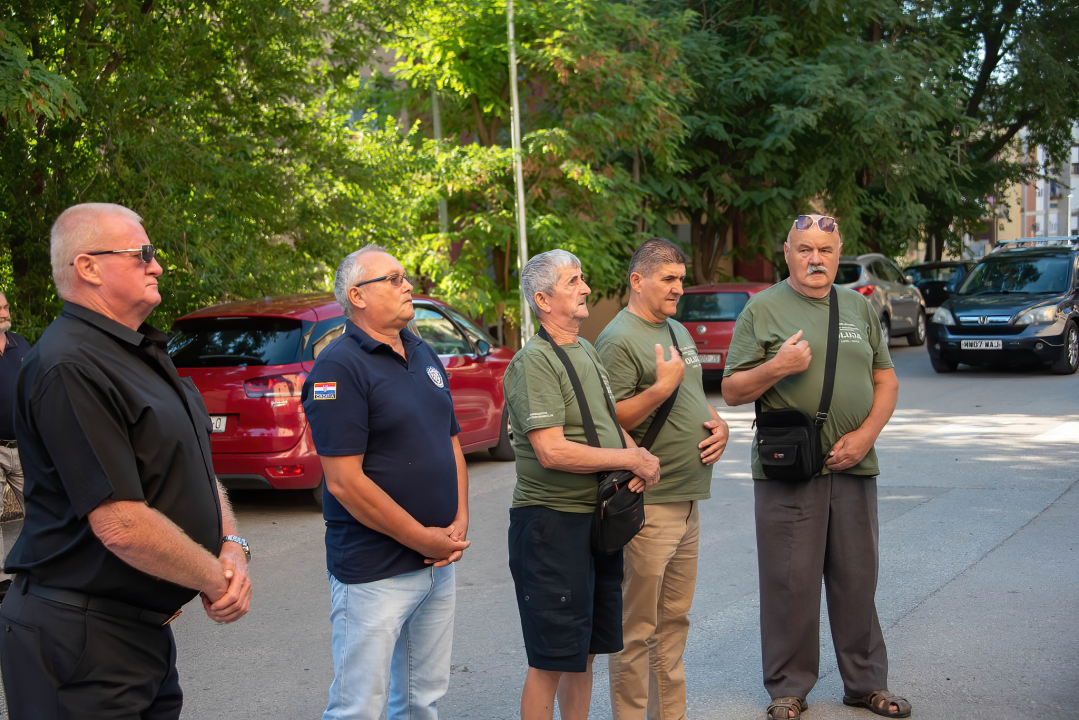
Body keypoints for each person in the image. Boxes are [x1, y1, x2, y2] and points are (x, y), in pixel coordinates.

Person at [0, 203, 252, 719]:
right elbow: (120, 523)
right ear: (88, 267)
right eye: (143, 254)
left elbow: (198, 473)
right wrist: (214, 578)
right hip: (80, 644)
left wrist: (232, 543)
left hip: (141, 639)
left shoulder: (138, 352)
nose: (156, 265)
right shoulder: (68, 364)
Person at [721, 214, 909, 719]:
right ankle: (788, 687)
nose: (815, 258)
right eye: (804, 249)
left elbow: (886, 382)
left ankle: (866, 684)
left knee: (857, 578)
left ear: (838, 252)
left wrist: (865, 436)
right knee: (788, 582)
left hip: (854, 465)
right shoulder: (761, 310)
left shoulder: (859, 307)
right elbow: (733, 390)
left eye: (824, 250)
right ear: (787, 252)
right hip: (788, 472)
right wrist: (777, 366)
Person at [301, 245, 470, 720]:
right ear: (357, 296)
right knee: (360, 707)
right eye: (393, 279)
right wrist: (424, 539)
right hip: (376, 570)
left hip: (438, 563)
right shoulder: (338, 367)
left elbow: (449, 440)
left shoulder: (422, 349)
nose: (408, 286)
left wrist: (458, 519)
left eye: (405, 277)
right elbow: (345, 484)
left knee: (422, 700)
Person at [504, 249, 661, 720]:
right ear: (542, 298)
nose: (586, 288)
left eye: (582, 279)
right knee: (551, 660)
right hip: (551, 527)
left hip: (595, 522)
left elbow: (607, 424)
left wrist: (640, 457)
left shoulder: (586, 349)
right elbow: (552, 451)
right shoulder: (533, 361)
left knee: (586, 650)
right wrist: (631, 457)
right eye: (573, 282)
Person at [595, 237, 729, 720]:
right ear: (637, 281)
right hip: (648, 504)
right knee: (637, 631)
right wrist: (661, 388)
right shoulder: (617, 338)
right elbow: (608, 421)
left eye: (680, 277)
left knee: (673, 624)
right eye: (668, 278)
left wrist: (720, 424)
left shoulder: (677, 331)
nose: (679, 287)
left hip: (688, 499)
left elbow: (693, 395)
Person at [0, 291, 31, 600]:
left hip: (22, 443)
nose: (4, 312)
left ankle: (36, 565)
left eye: (6, 306)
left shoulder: (20, 344)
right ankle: (0, 581)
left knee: (39, 503)